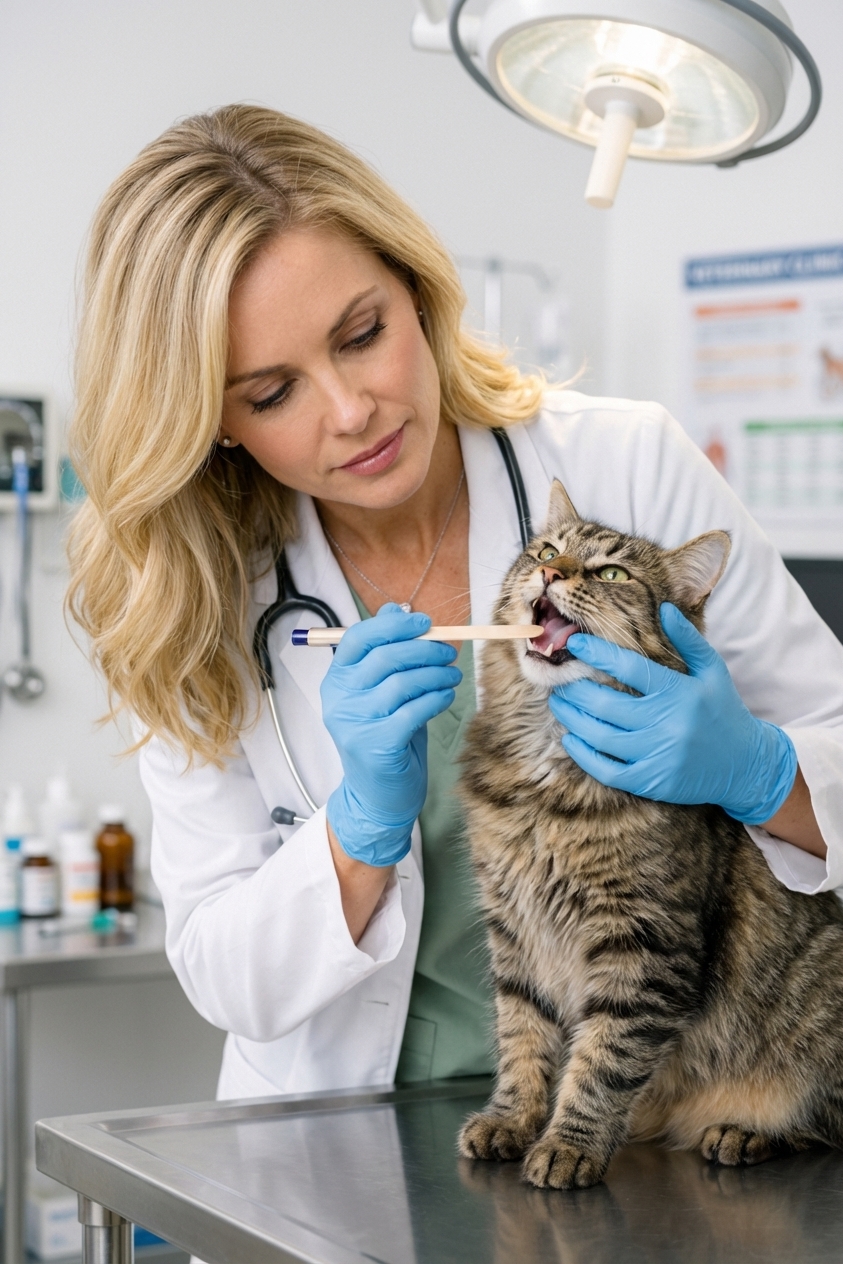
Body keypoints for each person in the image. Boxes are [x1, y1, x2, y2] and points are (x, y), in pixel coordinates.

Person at [68, 104, 843, 1103]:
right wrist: (357, 833)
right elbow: (226, 975)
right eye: (271, 394)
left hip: (645, 1123)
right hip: (338, 1136)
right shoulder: (187, 595)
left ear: (418, 292)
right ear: (209, 421)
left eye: (363, 333)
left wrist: (761, 771)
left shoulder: (621, 464)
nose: (352, 411)